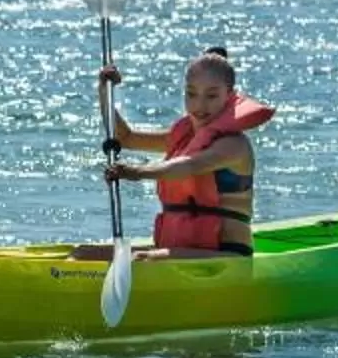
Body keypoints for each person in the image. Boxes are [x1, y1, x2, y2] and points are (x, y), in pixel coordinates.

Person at [99, 47, 275, 257]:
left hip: (227, 254)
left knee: (144, 260)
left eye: (211, 96)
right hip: (180, 251)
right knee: (83, 255)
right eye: (192, 94)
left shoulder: (234, 145)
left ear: (229, 96)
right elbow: (125, 137)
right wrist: (104, 91)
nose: (199, 105)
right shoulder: (182, 137)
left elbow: (191, 165)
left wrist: (138, 172)